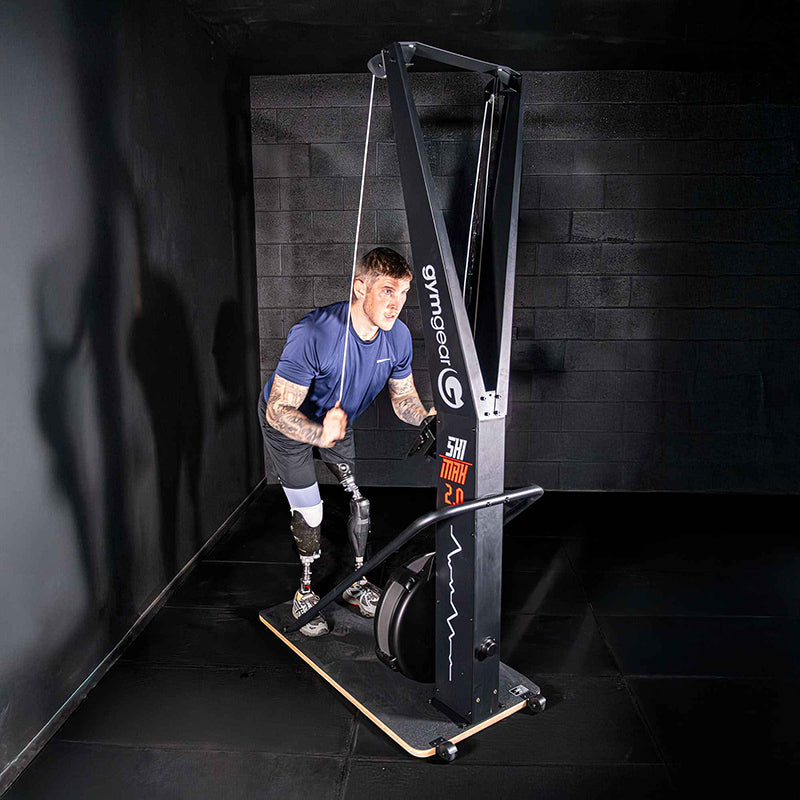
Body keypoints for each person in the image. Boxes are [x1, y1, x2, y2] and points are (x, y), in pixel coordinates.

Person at [258, 247, 435, 636]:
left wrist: (428, 419)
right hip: (290, 423)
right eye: (388, 291)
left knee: (360, 503)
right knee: (312, 514)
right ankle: (305, 593)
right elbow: (277, 411)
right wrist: (320, 433)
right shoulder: (315, 333)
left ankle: (356, 583)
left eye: (404, 292)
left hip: (340, 424)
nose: (397, 304)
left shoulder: (397, 337)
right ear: (360, 288)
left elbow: (403, 398)